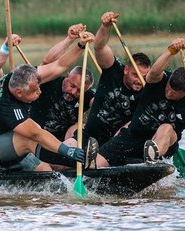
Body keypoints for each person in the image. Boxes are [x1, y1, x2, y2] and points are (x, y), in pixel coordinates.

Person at [0, 32, 96, 172]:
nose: (39, 92)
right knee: (28, 139)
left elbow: (59, 65)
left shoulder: (17, 76)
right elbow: (36, 134)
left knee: (44, 170)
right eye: (35, 91)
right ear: (20, 92)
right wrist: (67, 151)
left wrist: (80, 45)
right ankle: (78, 162)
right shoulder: (8, 107)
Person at [92, 38, 185, 167]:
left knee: (167, 127)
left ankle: (151, 158)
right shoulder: (159, 80)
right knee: (95, 165)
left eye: (174, 93)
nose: (168, 93)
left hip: (163, 144)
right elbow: (154, 71)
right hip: (132, 136)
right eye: (169, 88)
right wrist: (170, 52)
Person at [0, 27, 96, 170]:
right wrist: (70, 40)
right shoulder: (48, 82)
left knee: (78, 128)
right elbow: (50, 62)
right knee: (45, 167)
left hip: (58, 144)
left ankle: (76, 164)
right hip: (32, 140)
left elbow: (101, 103)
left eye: (79, 90)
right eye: (71, 85)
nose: (73, 91)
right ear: (67, 75)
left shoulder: (85, 96)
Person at [62, 12, 152, 161]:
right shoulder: (113, 70)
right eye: (135, 75)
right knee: (59, 159)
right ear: (126, 70)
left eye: (143, 77)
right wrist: (105, 26)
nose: (139, 81)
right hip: (90, 136)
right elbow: (99, 46)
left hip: (118, 144)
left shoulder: (147, 88)